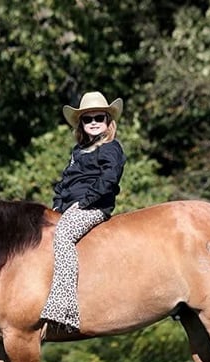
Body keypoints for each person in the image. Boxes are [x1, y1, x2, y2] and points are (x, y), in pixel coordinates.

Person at [40, 91, 127, 332]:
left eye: (99, 117)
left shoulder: (110, 148)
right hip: (68, 207)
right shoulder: (78, 152)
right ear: (81, 124)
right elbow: (65, 183)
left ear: (109, 121)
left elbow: (109, 178)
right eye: (87, 119)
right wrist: (57, 205)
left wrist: (86, 201)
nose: (93, 123)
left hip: (93, 206)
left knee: (64, 234)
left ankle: (64, 306)